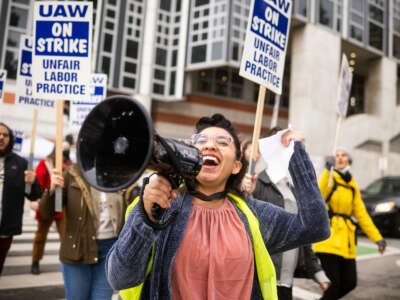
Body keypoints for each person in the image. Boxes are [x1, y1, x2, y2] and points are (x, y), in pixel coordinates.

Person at [105, 113, 331, 300]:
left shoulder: (254, 214)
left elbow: (316, 226)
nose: (210, 146)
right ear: (187, 155)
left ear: (236, 166)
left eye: (222, 143)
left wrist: (295, 155)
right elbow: (120, 278)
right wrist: (146, 218)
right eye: (201, 142)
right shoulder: (157, 207)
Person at [241, 134, 330, 300]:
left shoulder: (293, 188)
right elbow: (249, 226)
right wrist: (246, 194)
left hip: (287, 281)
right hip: (264, 278)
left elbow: (304, 231)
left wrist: (317, 271)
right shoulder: (257, 183)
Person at [39, 162, 137, 300]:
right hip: (77, 250)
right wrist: (52, 190)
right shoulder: (72, 173)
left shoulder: (119, 175)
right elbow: (46, 212)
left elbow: (132, 210)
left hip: (110, 251)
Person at [313, 147, 386, 300]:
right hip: (329, 241)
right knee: (335, 285)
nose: (340, 158)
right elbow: (318, 196)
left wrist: (378, 238)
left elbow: (362, 214)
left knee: (350, 283)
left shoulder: (352, 184)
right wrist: (328, 170)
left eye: (343, 155)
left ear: (349, 160)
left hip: (346, 243)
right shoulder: (329, 177)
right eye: (337, 155)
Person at [0, 122, 42, 275]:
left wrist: (31, 182)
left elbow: (34, 195)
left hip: (5, 229)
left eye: (5, 135)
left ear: (10, 139)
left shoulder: (20, 163)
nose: (1, 137)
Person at [30, 141, 72, 275]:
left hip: (62, 206)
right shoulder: (45, 163)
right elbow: (37, 184)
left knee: (66, 236)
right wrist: (38, 200)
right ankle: (35, 260)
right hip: (47, 203)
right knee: (40, 236)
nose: (64, 152)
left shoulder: (70, 166)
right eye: (62, 149)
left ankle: (69, 262)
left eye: (67, 150)